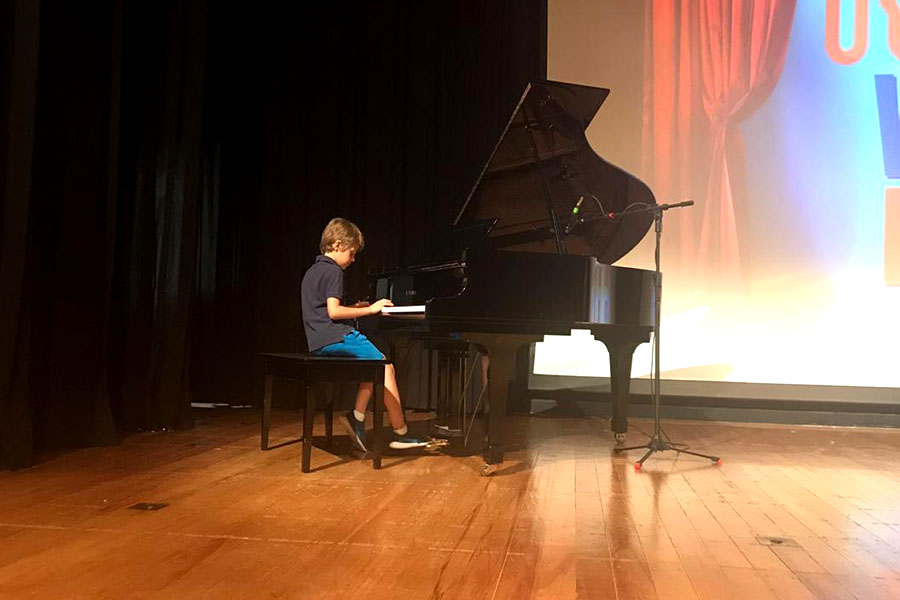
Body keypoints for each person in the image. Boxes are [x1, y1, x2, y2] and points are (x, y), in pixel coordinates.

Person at [300, 217, 423, 452]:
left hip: (317, 340)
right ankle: (400, 432)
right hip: (336, 336)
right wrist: (372, 309)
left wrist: (355, 307)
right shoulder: (334, 271)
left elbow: (322, 311)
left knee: (372, 363)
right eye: (352, 253)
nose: (353, 259)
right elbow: (334, 312)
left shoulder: (313, 271)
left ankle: (357, 416)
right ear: (337, 245)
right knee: (385, 367)